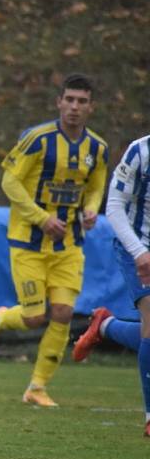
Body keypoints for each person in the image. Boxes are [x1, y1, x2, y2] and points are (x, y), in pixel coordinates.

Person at [0, 74, 108, 407]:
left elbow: (95, 186)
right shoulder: (37, 139)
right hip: (28, 242)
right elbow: (10, 181)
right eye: (70, 99)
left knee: (63, 312)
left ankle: (37, 387)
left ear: (91, 107)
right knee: (35, 317)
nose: (75, 107)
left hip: (69, 246)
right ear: (59, 102)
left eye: (82, 101)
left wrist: (91, 210)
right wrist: (41, 217)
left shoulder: (97, 148)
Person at [73, 132, 150, 437]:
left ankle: (105, 326)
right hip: (135, 247)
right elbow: (115, 205)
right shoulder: (139, 152)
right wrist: (140, 252)